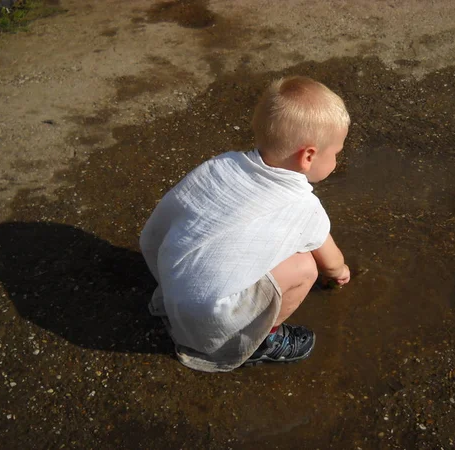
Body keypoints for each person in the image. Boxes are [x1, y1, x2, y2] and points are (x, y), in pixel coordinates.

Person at [140, 76, 351, 372]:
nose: (337, 161)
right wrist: (340, 272)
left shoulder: (222, 165)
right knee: (305, 267)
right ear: (308, 156)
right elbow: (331, 263)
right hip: (208, 319)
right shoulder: (302, 206)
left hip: (172, 279)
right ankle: (261, 339)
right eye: (336, 154)